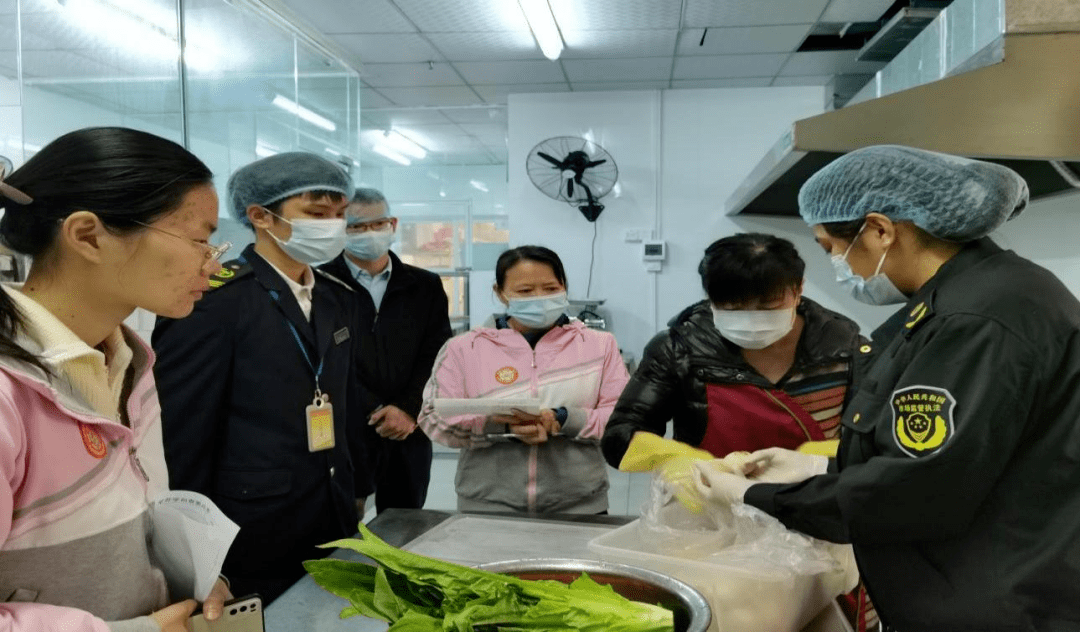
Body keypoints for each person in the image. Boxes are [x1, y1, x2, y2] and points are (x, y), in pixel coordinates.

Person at [692, 145, 1080, 631]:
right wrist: (818, 464)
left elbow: (918, 491)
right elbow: (958, 452)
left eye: (831, 248)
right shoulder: (986, 294)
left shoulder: (975, 320)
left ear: (879, 230)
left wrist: (753, 498)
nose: (841, 266)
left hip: (998, 603)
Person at [0, 127, 231, 631]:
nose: (213, 266)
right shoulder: (8, 394)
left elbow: (125, 524)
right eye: (199, 240)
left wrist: (183, 578)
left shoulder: (128, 363)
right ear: (88, 235)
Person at [152, 152, 373, 604]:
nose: (331, 226)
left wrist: (357, 487)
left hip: (331, 511)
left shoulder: (338, 297)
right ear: (260, 216)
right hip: (248, 527)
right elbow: (183, 435)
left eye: (338, 215)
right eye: (315, 214)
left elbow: (347, 400)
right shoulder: (214, 299)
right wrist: (195, 556)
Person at [601, 233, 865, 465]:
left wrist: (829, 457)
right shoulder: (678, 349)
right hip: (710, 502)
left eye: (767, 307)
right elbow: (619, 435)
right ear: (710, 299)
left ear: (798, 291)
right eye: (733, 309)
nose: (751, 318)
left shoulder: (844, 347)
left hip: (815, 501)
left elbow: (880, 436)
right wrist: (674, 459)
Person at [418, 245, 629, 513]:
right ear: (500, 293)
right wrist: (500, 428)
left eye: (550, 288)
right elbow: (432, 417)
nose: (539, 298)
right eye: (525, 291)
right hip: (488, 505)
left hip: (579, 504)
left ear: (564, 286)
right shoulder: (464, 349)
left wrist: (563, 419)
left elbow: (621, 418)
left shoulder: (599, 346)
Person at [320, 188, 452, 512]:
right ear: (340, 230)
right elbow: (323, 358)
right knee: (341, 528)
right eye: (356, 227)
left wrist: (408, 409)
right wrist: (376, 407)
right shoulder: (320, 283)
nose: (368, 234)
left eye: (376, 224)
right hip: (344, 427)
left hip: (409, 430)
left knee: (405, 529)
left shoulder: (424, 286)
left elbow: (437, 354)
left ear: (392, 223)